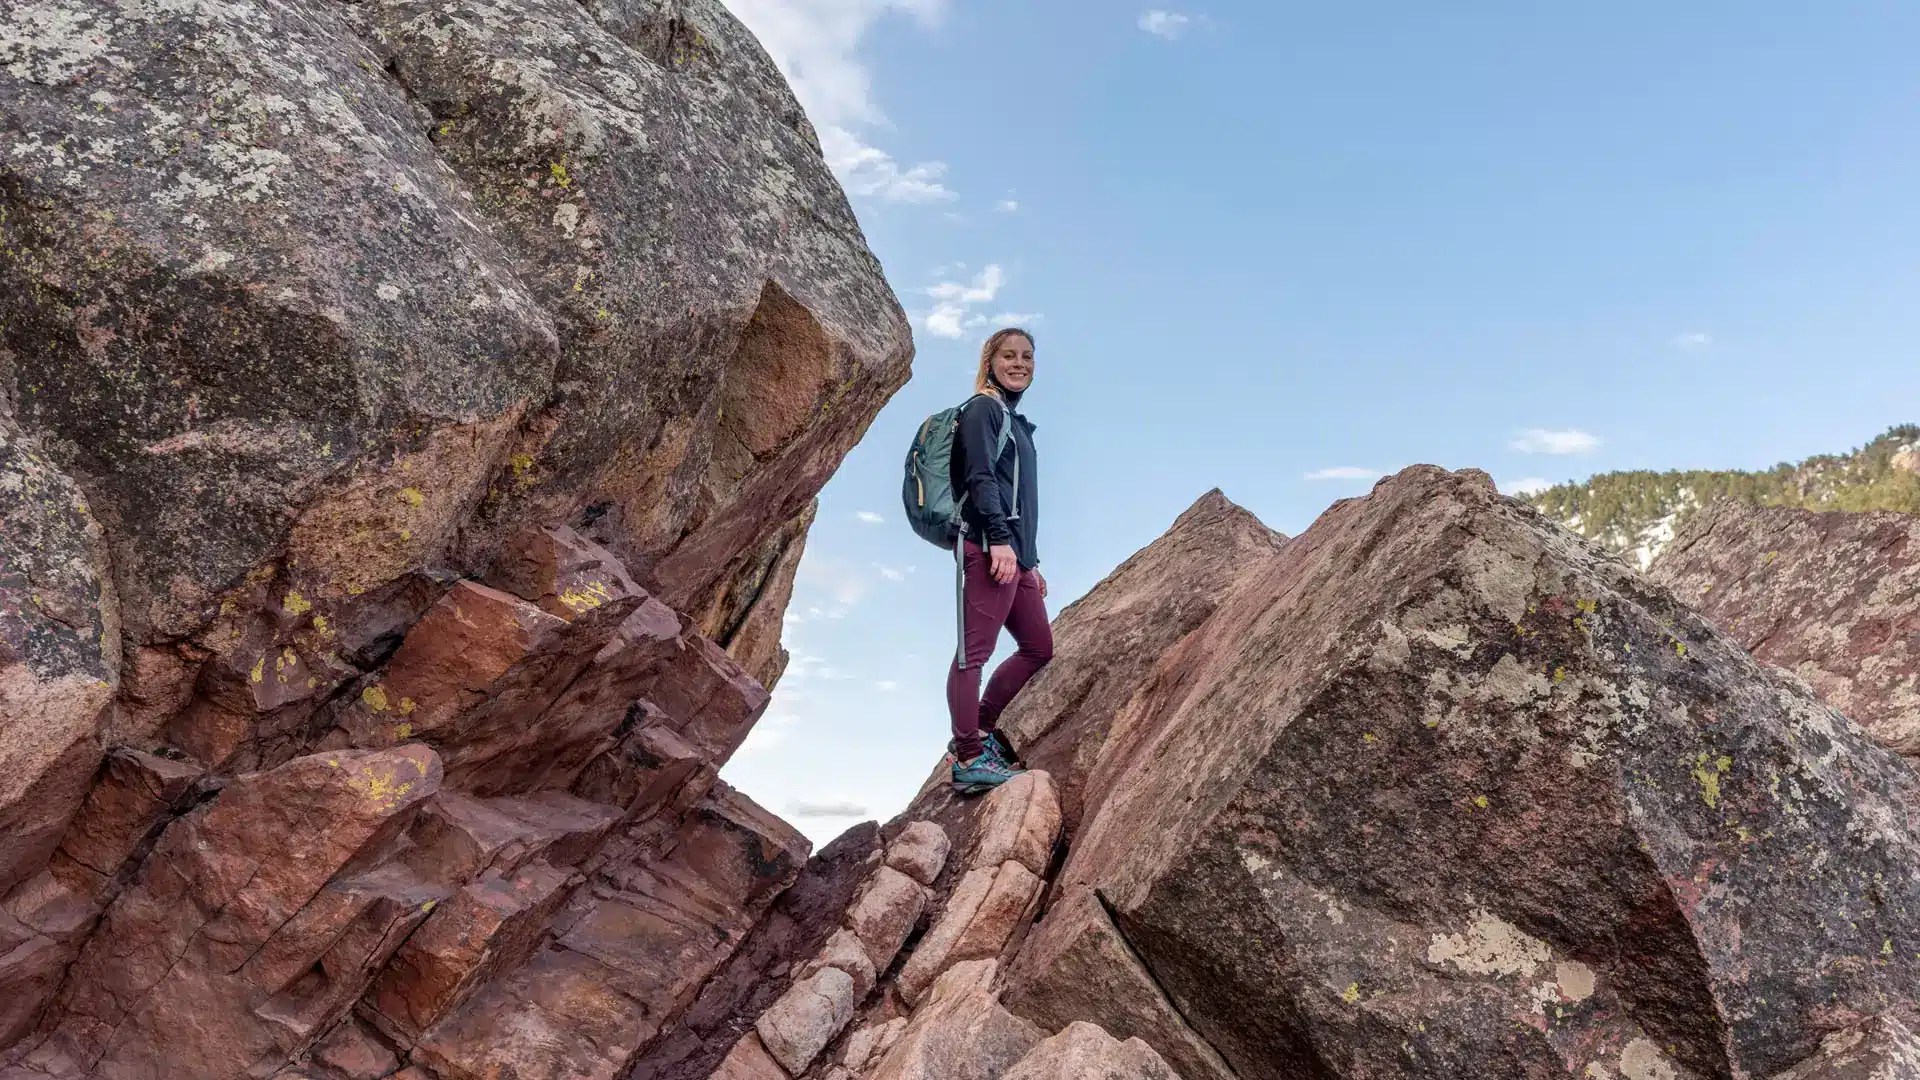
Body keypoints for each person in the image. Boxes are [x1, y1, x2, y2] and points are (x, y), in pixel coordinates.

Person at [945, 327, 1052, 795]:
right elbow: (981, 478)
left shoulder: (1014, 421)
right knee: (974, 656)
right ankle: (967, 754)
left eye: (1027, 356)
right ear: (990, 361)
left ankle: (982, 730)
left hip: (1014, 555)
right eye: (1008, 355)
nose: (1019, 363)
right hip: (989, 549)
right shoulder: (984, 409)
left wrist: (1030, 560)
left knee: (1038, 648)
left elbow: (1019, 496)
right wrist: (1000, 541)